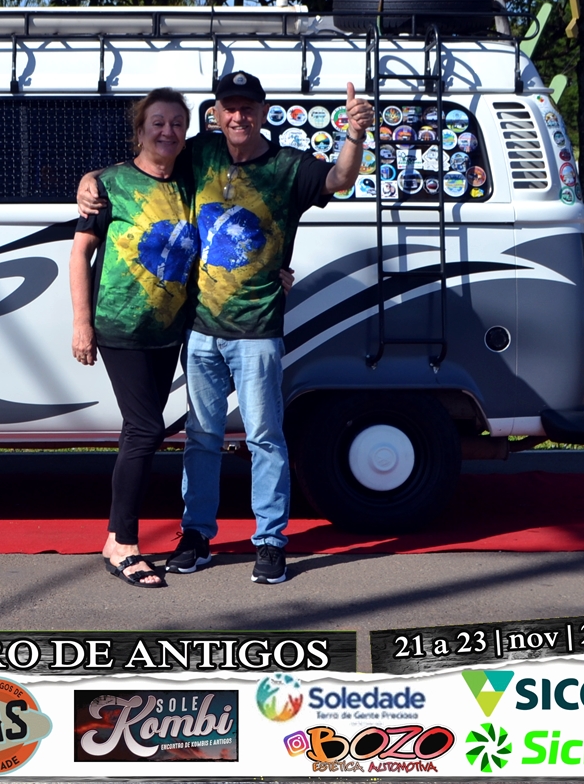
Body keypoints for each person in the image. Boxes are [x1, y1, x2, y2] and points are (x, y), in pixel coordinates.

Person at [79, 73, 373, 584]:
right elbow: (145, 164)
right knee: (201, 438)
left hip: (257, 330)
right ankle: (196, 535)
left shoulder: (287, 167)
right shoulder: (201, 152)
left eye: (248, 108)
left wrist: (354, 134)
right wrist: (89, 179)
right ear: (216, 113)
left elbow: (338, 179)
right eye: (229, 108)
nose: (239, 116)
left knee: (265, 437)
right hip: (198, 329)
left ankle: (270, 541)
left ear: (262, 112)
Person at [69, 89, 199, 588]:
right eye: (157, 122)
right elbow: (79, 254)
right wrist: (82, 324)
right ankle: (122, 543)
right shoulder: (110, 185)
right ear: (140, 129)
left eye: (177, 123)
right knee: (145, 429)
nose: (168, 131)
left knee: (138, 430)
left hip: (167, 330)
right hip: (120, 326)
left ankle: (117, 538)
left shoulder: (190, 182)